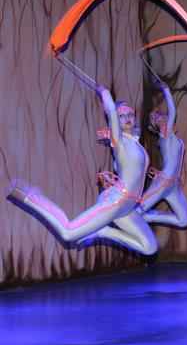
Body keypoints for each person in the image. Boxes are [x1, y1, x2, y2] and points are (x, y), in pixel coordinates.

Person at [7, 82, 157, 256]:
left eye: (130, 114)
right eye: (121, 116)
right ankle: (30, 198)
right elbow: (111, 111)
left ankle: (104, 232)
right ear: (116, 120)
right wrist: (105, 93)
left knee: (149, 248)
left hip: (129, 207)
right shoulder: (119, 142)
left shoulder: (136, 144)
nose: (127, 118)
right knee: (68, 233)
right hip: (117, 201)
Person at [138, 78, 187, 229]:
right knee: (138, 210)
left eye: (159, 114)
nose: (158, 116)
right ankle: (117, 222)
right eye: (154, 118)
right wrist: (166, 90)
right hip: (164, 182)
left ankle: (148, 217)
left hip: (173, 185)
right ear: (154, 126)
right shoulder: (165, 135)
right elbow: (173, 111)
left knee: (184, 221)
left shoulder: (171, 136)